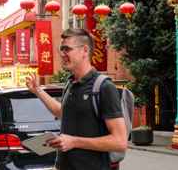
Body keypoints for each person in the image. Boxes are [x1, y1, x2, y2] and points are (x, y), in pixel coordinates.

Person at [25, 28, 127, 170]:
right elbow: (62, 112)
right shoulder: (71, 83)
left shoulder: (104, 87)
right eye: (61, 49)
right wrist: (37, 90)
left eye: (66, 49)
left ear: (85, 50)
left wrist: (74, 142)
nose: (62, 54)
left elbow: (120, 142)